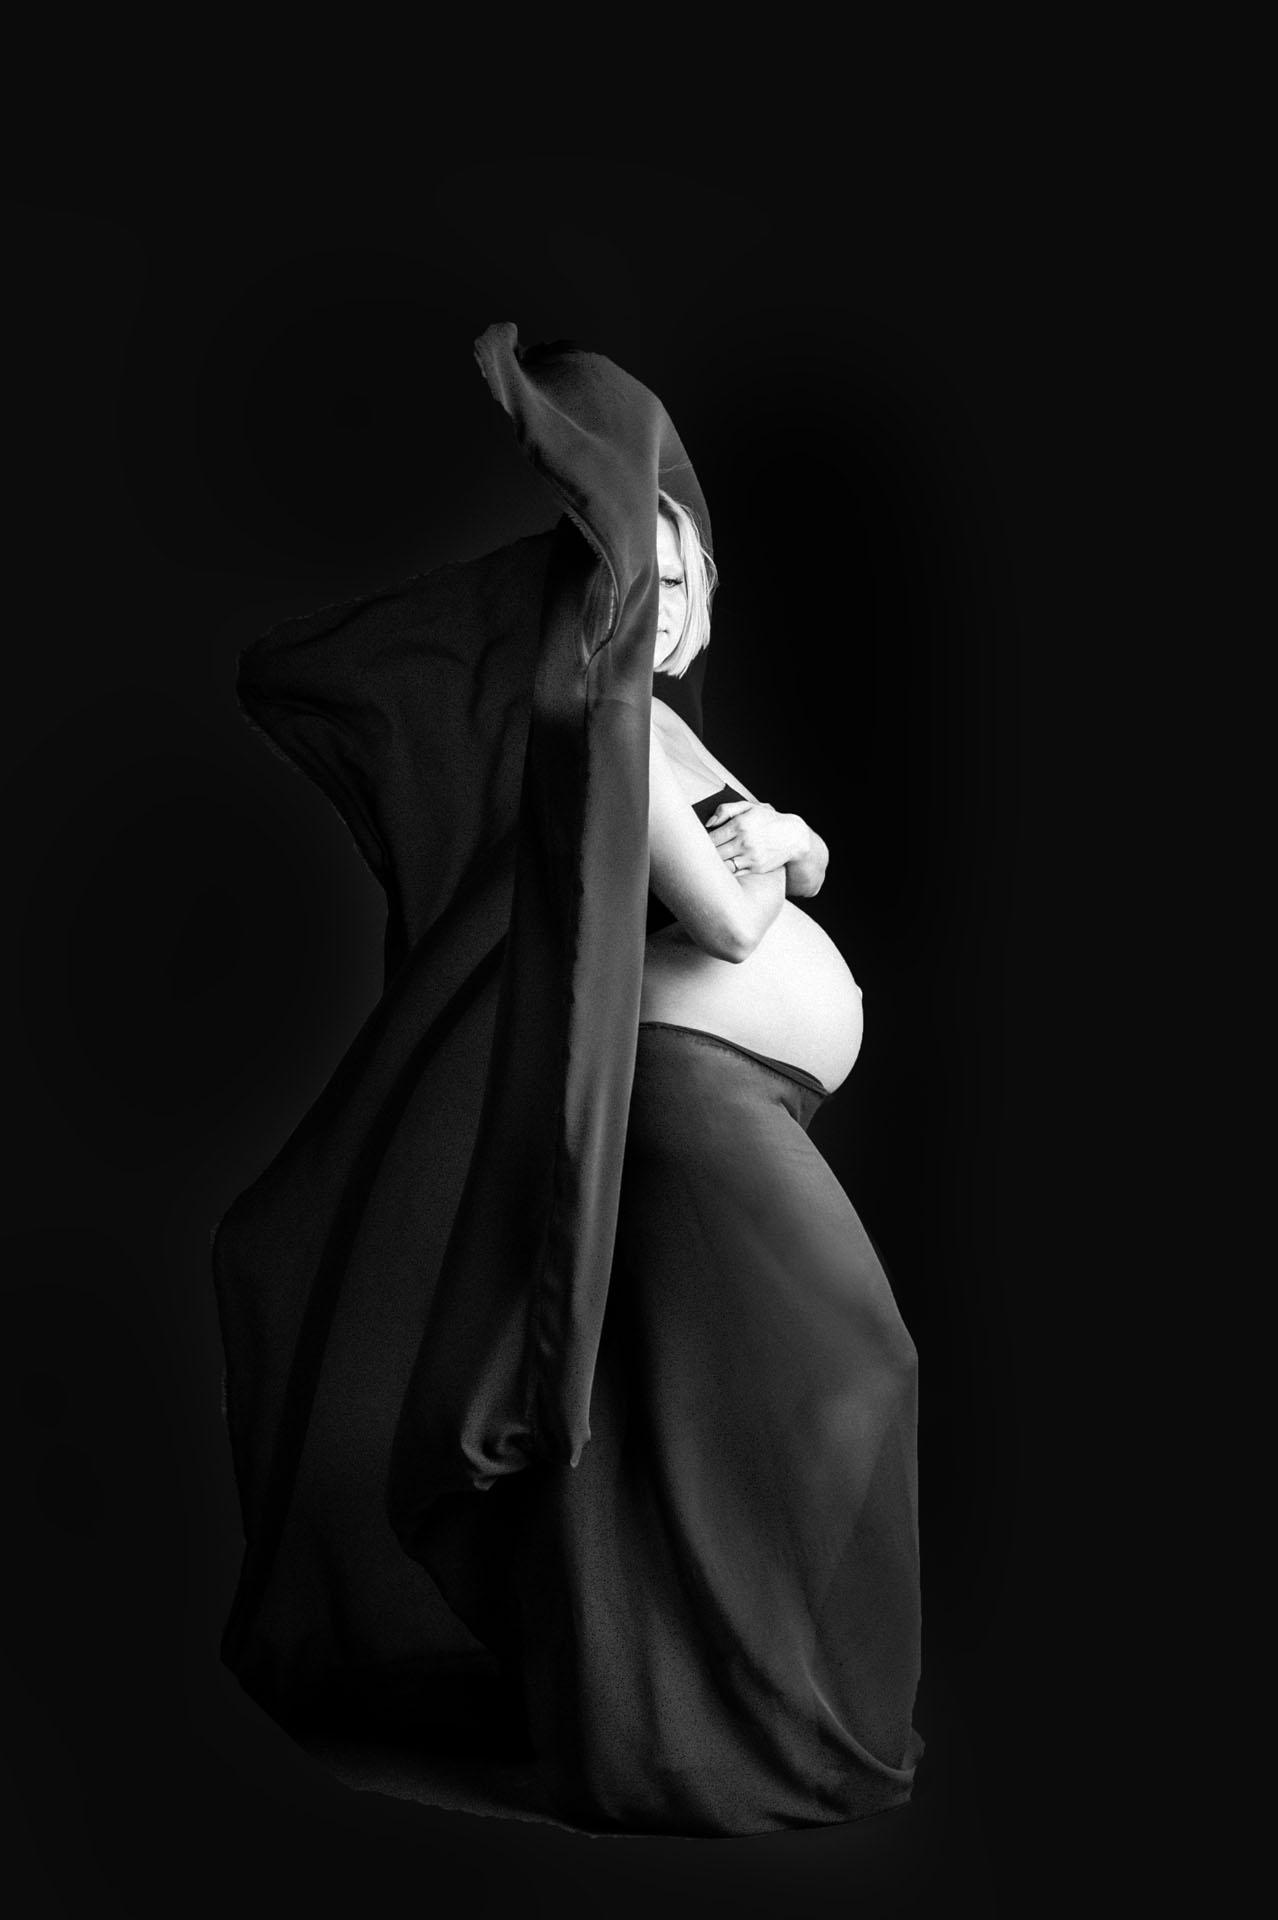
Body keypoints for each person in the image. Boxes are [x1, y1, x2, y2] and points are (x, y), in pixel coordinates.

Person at [213, 324, 922, 1840]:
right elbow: (734, 917)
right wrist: (777, 845)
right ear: (597, 585)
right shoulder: (600, 716)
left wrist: (784, 839)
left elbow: (789, 863)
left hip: (735, 1095)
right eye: (642, 578)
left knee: (700, 1421)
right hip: (690, 1094)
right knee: (851, 1371)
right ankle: (774, 1734)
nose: (671, 609)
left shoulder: (657, 727)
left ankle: (708, 1719)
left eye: (688, 577)